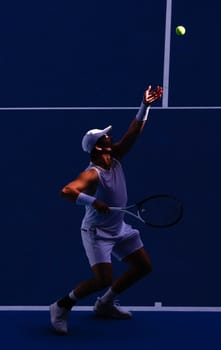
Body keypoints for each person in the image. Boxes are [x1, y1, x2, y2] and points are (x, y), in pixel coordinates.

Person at [50, 84, 163, 335]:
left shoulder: (117, 157)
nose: (110, 137)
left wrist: (145, 105)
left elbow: (134, 132)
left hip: (118, 227)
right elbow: (66, 191)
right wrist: (93, 202)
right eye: (105, 136)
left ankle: (105, 304)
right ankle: (60, 306)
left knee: (143, 267)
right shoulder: (92, 174)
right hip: (97, 231)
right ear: (98, 147)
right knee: (102, 279)